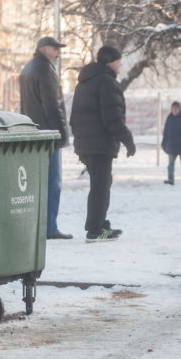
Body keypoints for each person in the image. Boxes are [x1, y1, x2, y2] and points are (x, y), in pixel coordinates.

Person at [69, 45, 136, 243]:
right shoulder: (106, 82)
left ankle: (99, 223)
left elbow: (75, 116)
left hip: (86, 143)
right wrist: (128, 139)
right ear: (110, 62)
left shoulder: (84, 82)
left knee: (101, 183)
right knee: (100, 186)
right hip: (99, 144)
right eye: (118, 62)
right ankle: (95, 229)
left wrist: (79, 142)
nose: (120, 66)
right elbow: (112, 118)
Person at [19, 36, 72, 240]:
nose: (59, 53)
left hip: (32, 133)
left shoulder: (28, 69)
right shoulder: (45, 70)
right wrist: (60, 135)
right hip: (48, 134)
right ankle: (50, 227)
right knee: (52, 183)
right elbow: (53, 105)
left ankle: (39, 226)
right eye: (56, 49)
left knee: (37, 183)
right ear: (44, 49)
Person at [161, 101, 181, 185]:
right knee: (170, 164)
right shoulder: (169, 118)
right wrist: (164, 143)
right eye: (173, 109)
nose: (174, 110)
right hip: (172, 145)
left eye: (176, 109)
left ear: (179, 109)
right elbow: (166, 132)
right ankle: (170, 179)